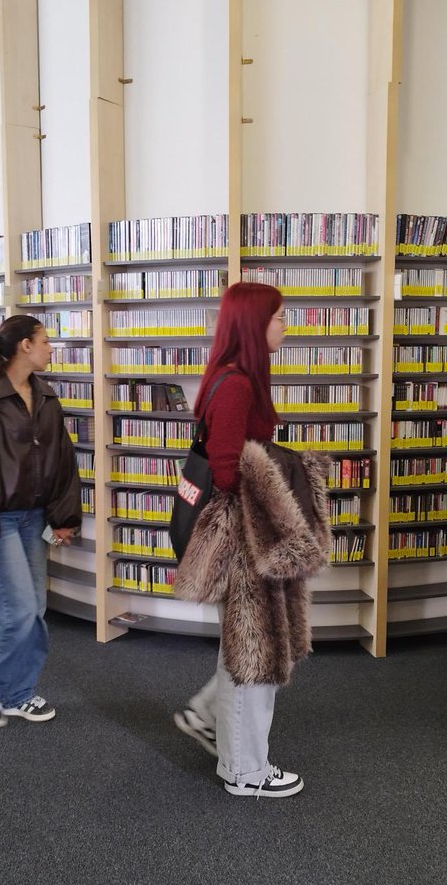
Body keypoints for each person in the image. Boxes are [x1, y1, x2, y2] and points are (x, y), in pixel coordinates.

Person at [171, 282, 332, 798]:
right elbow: (225, 468)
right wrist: (280, 486)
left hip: (243, 535)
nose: (287, 325)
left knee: (244, 646)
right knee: (255, 655)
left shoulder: (232, 377)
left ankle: (208, 721)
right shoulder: (238, 384)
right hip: (245, 540)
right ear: (253, 323)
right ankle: (245, 772)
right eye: (280, 317)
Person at [0, 315, 81, 727]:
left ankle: (19, 693)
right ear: (24, 345)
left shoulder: (45, 394)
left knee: (35, 608)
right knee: (17, 611)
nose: (50, 347)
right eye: (45, 340)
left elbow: (62, 460)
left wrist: (62, 517)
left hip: (33, 517)